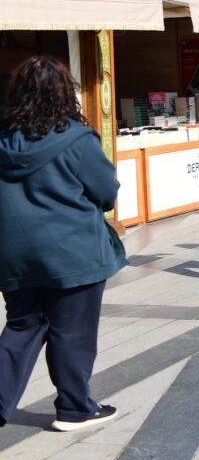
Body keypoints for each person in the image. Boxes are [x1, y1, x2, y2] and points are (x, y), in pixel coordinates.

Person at [0, 56, 125, 431]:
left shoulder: (2, 141)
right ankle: (74, 409)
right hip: (73, 253)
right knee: (72, 331)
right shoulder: (77, 139)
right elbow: (106, 193)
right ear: (64, 93)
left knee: (22, 327)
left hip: (14, 253)